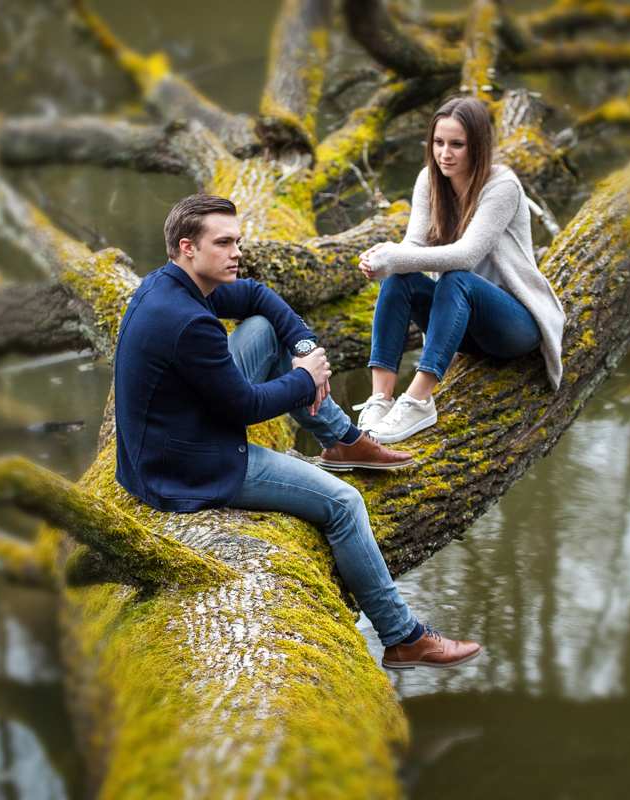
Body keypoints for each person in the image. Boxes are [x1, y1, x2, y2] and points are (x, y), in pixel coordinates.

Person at [113, 193, 482, 670]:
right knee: (345, 505)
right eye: (223, 243)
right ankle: (403, 637)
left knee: (266, 328)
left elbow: (257, 296)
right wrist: (306, 376)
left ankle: (343, 439)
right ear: (187, 247)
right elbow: (245, 407)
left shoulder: (169, 285)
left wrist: (305, 346)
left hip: (170, 438)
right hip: (187, 466)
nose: (236, 252)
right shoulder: (186, 321)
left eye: (237, 241)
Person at [356, 97, 567, 443]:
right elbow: (413, 248)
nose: (445, 154)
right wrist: (386, 259)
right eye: (439, 143)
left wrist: (398, 256)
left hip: (515, 327)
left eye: (457, 145)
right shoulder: (429, 179)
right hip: (464, 326)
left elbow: (466, 256)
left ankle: (420, 400)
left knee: (457, 279)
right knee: (399, 279)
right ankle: (380, 400)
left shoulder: (502, 185)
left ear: (478, 146)